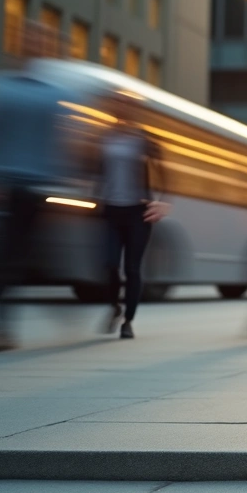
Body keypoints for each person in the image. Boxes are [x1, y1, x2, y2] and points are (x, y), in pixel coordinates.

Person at [0, 71, 77, 352]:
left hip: (33, 189)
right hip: (7, 186)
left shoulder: (55, 93)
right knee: (13, 257)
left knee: (10, 258)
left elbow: (65, 141)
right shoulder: (2, 87)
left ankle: (2, 330)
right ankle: (5, 328)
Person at [94, 93, 172, 339]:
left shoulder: (144, 140)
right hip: (111, 210)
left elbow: (164, 173)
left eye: (128, 105)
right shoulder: (105, 138)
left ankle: (128, 321)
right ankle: (114, 307)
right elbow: (96, 171)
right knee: (109, 264)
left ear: (135, 111)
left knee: (133, 268)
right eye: (118, 104)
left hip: (138, 213)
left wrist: (162, 202)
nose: (122, 108)